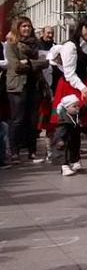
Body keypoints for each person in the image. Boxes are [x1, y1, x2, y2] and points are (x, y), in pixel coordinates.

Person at [50, 16, 87, 147]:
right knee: (72, 121)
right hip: (73, 85)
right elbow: (69, 72)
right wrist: (83, 88)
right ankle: (70, 157)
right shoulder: (70, 46)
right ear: (80, 28)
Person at [5, 16, 49, 164]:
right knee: (17, 119)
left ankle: (32, 152)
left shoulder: (36, 44)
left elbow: (45, 62)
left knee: (32, 120)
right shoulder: (11, 44)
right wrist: (35, 64)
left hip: (34, 84)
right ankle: (14, 151)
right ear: (17, 28)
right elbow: (16, 66)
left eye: (29, 26)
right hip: (17, 85)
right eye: (23, 26)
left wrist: (29, 62)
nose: (27, 29)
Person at [53, 95, 83, 176]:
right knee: (64, 152)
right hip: (64, 139)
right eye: (74, 106)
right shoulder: (64, 118)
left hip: (73, 138)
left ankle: (74, 162)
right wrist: (60, 139)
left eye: (77, 106)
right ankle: (64, 167)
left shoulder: (75, 116)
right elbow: (60, 130)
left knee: (74, 149)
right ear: (66, 108)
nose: (77, 108)